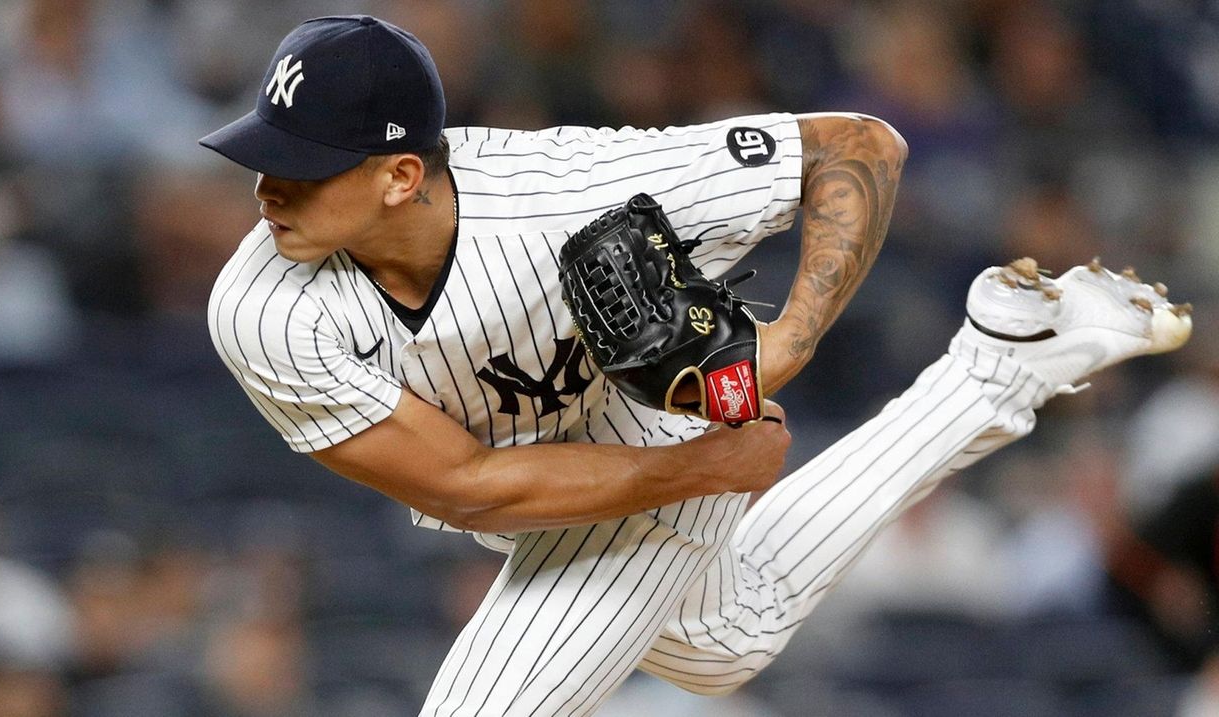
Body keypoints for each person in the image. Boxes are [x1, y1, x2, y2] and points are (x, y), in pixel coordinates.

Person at [198, 15, 1192, 715]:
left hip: (651, 407)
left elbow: (856, 147)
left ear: (400, 174)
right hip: (541, 473)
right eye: (264, 155)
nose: (265, 188)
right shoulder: (261, 309)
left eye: (299, 166)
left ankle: (995, 368)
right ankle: (995, 367)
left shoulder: (566, 191)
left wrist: (789, 340)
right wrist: (711, 472)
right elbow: (467, 482)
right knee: (724, 641)